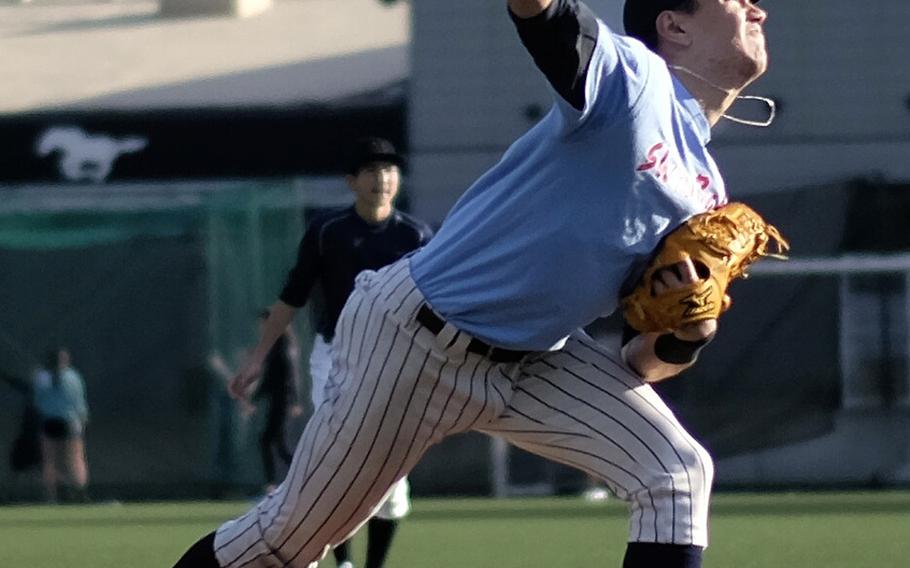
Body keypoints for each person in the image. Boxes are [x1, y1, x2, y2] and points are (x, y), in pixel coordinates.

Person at [173, 0, 771, 566]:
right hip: (418, 339)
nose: (757, 8)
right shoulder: (634, 79)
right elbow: (546, 18)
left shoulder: (708, 195)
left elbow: (641, 361)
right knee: (286, 543)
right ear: (675, 25)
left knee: (676, 472)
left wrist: (693, 330)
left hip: (537, 359)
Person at [177, 136, 433, 568]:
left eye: (389, 170)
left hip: (395, 359)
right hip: (337, 356)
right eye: (370, 170)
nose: (382, 178)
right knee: (339, 454)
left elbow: (433, 304)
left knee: (393, 478)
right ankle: (344, 562)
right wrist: (256, 359)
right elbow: (290, 299)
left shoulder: (415, 235)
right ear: (351, 181)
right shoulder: (328, 232)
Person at [211, 312, 305, 494]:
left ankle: (276, 482)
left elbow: (284, 377)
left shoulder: (282, 346)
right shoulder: (276, 346)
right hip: (280, 399)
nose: (261, 329)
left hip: (282, 400)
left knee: (269, 440)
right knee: (277, 443)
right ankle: (298, 478)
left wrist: (293, 401)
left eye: (264, 324)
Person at [32, 347, 90, 503]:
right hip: (70, 422)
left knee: (50, 460)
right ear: (65, 360)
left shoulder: (41, 377)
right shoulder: (74, 377)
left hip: (49, 421)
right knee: (76, 458)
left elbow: (37, 402)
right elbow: (80, 403)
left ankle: (51, 496)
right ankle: (80, 493)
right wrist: (83, 420)